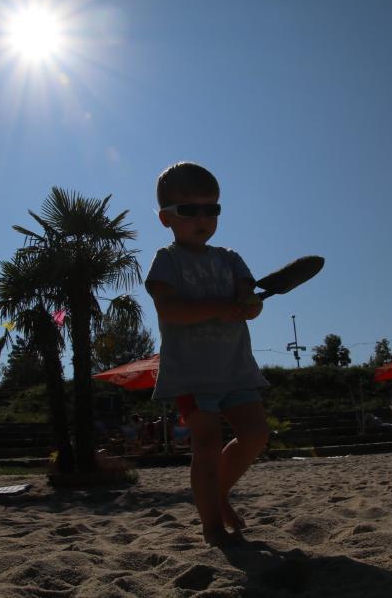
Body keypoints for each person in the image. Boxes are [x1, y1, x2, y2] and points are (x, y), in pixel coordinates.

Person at [145, 161, 270, 547]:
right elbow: (169, 310)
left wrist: (248, 305)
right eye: (189, 210)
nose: (203, 218)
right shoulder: (167, 260)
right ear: (166, 218)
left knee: (255, 436)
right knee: (206, 445)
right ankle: (212, 526)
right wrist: (218, 306)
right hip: (192, 374)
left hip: (236, 370)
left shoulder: (230, 258)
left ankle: (217, 494)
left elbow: (252, 303)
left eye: (211, 209)